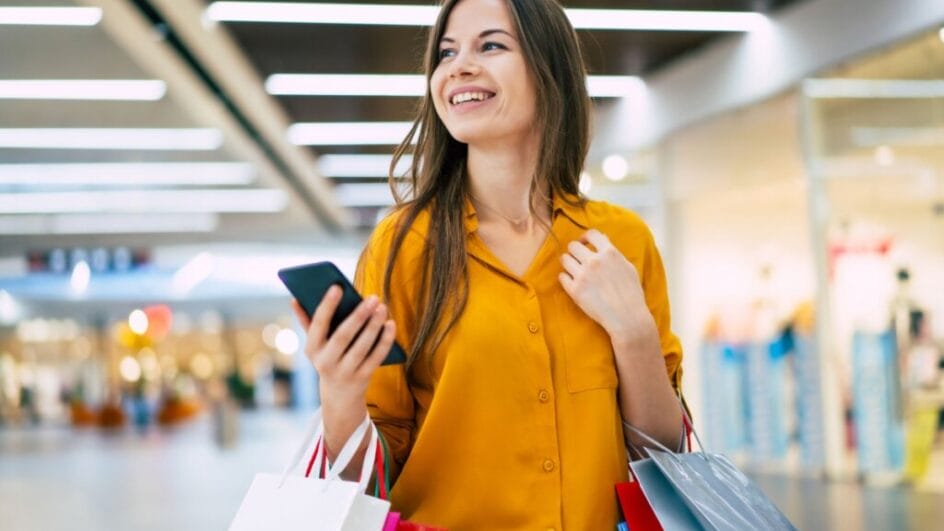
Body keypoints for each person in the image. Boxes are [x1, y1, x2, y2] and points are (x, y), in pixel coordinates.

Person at [292, 1, 684, 528]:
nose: (459, 67)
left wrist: (633, 333)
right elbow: (365, 485)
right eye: (446, 53)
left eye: (491, 45)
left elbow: (665, 460)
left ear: (549, 69)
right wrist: (340, 394)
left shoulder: (621, 242)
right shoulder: (405, 246)